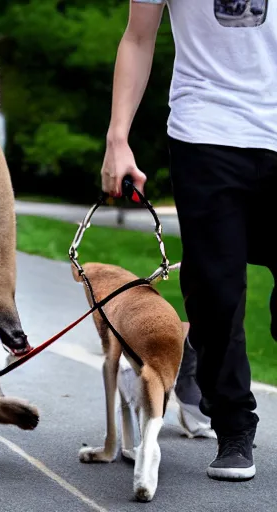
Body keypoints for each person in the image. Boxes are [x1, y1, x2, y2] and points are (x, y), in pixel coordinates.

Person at [100, 0, 276, 481]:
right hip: (207, 132)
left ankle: (198, 348)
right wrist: (119, 139)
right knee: (217, 289)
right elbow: (138, 37)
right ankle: (235, 426)